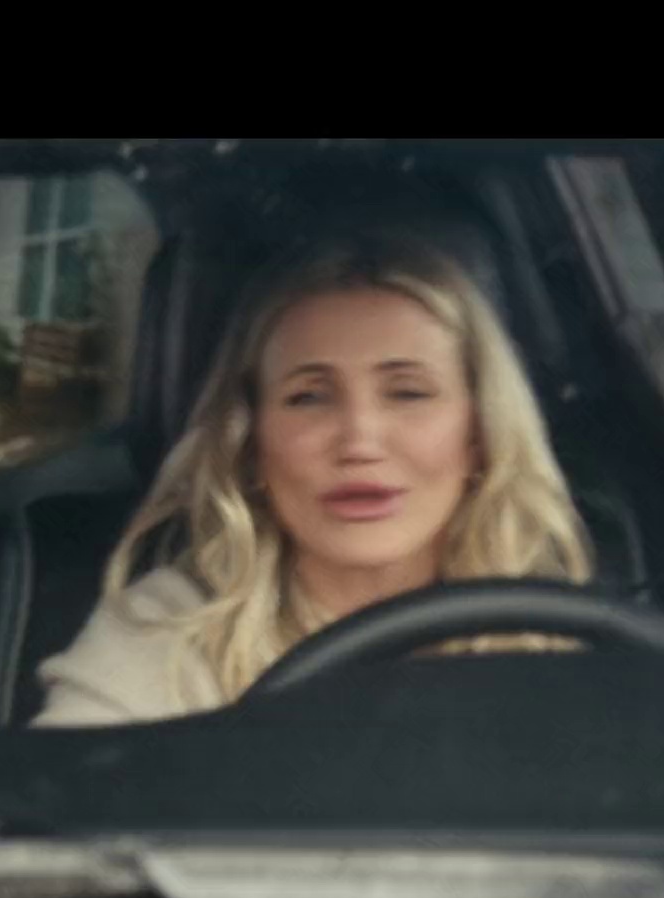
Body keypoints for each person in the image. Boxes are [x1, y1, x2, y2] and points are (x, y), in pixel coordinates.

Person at [33, 232, 594, 727]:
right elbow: (57, 804)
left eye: (408, 392)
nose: (359, 441)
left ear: (480, 433)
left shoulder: (558, 633)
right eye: (309, 398)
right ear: (252, 443)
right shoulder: (167, 631)